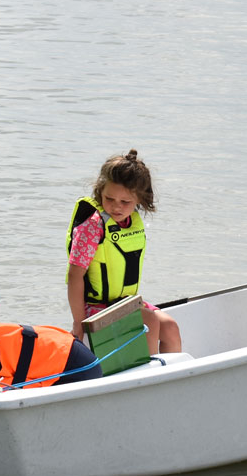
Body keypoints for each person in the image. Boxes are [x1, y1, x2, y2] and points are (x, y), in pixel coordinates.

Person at [67, 149, 183, 354]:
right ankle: (150, 371)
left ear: (139, 198)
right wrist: (78, 322)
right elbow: (75, 275)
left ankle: (171, 371)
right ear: (100, 191)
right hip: (96, 310)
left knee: (170, 327)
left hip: (124, 305)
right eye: (109, 198)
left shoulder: (131, 223)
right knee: (149, 321)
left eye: (125, 202)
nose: (116, 207)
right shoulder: (92, 227)